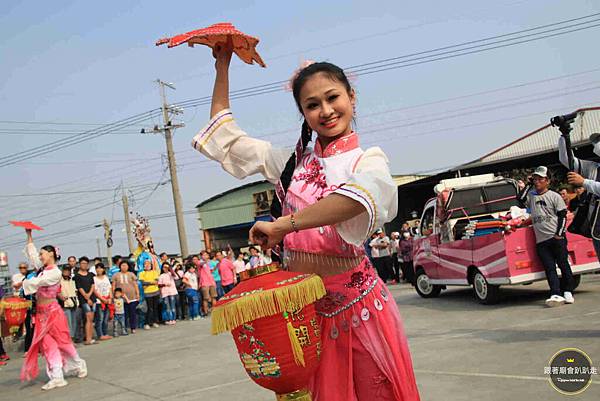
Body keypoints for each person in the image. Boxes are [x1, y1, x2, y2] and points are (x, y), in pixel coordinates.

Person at [193, 49, 419, 400]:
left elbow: (354, 200)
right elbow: (227, 138)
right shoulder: (291, 163)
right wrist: (222, 66)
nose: (326, 111)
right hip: (303, 319)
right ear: (303, 113)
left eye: (333, 98)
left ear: (352, 97)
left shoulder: (367, 159)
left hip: (357, 311)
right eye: (313, 105)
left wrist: (285, 225)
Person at [20, 229, 87, 390]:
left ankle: (79, 364)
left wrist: (23, 284)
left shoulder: (55, 273)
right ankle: (57, 376)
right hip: (42, 314)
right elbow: (32, 255)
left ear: (50, 254)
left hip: (53, 312)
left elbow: (37, 282)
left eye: (43, 253)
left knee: (63, 343)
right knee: (47, 345)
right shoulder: (42, 269)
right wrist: (29, 236)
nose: (40, 256)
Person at [518, 166, 575, 306]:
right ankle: (555, 293)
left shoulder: (554, 196)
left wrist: (559, 234)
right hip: (541, 240)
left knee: (563, 264)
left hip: (556, 237)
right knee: (549, 268)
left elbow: (562, 215)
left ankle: (568, 290)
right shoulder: (532, 196)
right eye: (536, 179)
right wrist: (529, 183)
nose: (537, 182)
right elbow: (520, 199)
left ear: (547, 181)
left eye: (540, 179)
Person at [111, 260, 139, 334]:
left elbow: (135, 285)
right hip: (120, 298)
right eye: (122, 265)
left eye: (126, 265)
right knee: (124, 314)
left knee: (132, 313)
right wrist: (113, 295)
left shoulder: (131, 274)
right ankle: (124, 328)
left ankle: (133, 327)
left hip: (132, 297)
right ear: (120, 266)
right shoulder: (116, 275)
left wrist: (138, 294)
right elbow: (113, 286)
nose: (124, 267)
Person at [74, 256, 97, 345]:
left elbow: (92, 285)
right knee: (88, 318)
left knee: (91, 318)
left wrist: (90, 295)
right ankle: (87, 339)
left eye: (86, 263)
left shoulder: (90, 274)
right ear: (80, 264)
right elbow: (79, 288)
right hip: (83, 299)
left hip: (93, 297)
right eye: (83, 263)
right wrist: (87, 297)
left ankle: (91, 338)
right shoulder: (77, 276)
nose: (84, 265)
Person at [58, 265, 79, 340]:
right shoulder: (59, 280)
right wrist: (60, 296)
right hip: (65, 304)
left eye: (68, 270)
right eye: (65, 270)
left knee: (74, 322)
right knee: (68, 323)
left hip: (73, 302)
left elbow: (75, 291)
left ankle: (72, 338)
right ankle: (68, 340)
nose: (67, 271)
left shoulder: (72, 280)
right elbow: (57, 290)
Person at [93, 263, 113, 340]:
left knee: (105, 319)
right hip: (99, 301)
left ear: (103, 269)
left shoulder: (106, 277)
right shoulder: (94, 278)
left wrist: (110, 298)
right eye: (97, 268)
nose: (99, 270)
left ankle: (105, 333)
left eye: (100, 268)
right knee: (100, 319)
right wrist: (102, 299)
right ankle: (100, 334)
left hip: (108, 300)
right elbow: (94, 291)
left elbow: (109, 288)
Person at [139, 259, 160, 329]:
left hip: (156, 292)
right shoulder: (142, 273)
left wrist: (147, 283)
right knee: (149, 308)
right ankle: (147, 323)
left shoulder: (154, 272)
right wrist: (151, 283)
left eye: (149, 263)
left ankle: (155, 322)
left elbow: (156, 281)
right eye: (146, 263)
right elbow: (143, 283)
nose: (147, 265)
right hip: (148, 293)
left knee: (155, 308)